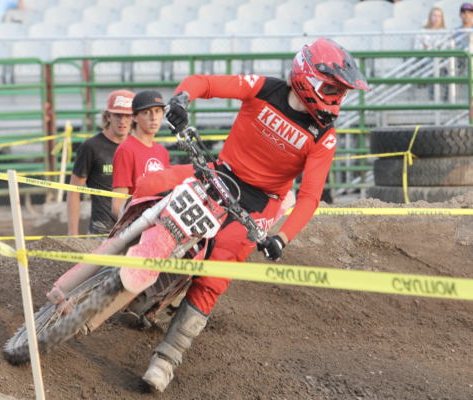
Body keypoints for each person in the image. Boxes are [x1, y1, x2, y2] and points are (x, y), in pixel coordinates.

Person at [137, 38, 371, 392]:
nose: (337, 99)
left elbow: (310, 197)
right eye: (332, 89)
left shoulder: (324, 136)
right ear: (307, 77)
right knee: (150, 184)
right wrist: (182, 98)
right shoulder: (264, 88)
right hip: (219, 172)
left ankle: (167, 359)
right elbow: (205, 82)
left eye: (341, 93)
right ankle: (114, 258)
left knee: (218, 267)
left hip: (259, 203)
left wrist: (282, 237)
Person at [67, 89, 135, 237]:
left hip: (134, 230)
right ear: (108, 116)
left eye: (128, 116)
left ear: (134, 117)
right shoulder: (91, 147)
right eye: (117, 115)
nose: (122, 121)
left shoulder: (137, 146)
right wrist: (72, 234)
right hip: (101, 233)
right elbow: (74, 191)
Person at [110, 90, 170, 218]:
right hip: (138, 226)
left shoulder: (162, 152)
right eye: (146, 112)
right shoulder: (126, 150)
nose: (153, 117)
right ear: (135, 117)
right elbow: (118, 206)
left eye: (158, 111)